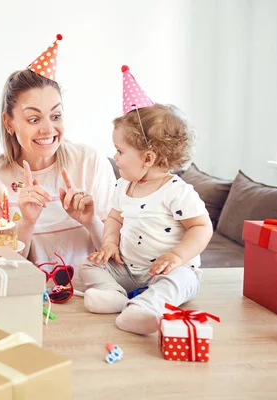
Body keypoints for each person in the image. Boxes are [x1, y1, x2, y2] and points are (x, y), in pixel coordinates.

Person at [80, 66, 213, 335]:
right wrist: (108, 243)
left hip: (167, 270)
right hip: (128, 269)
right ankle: (112, 294)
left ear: (148, 159)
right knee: (87, 265)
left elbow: (201, 228)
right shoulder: (123, 185)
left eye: (120, 151)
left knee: (181, 280)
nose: (115, 157)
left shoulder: (177, 192)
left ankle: (147, 307)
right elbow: (115, 218)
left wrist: (177, 256)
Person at [0, 35, 116, 286]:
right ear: (9, 123)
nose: (48, 129)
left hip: (95, 295)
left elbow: (119, 260)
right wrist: (27, 223)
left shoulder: (90, 162)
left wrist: (90, 221)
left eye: (56, 115)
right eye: (34, 119)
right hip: (33, 299)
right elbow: (1, 271)